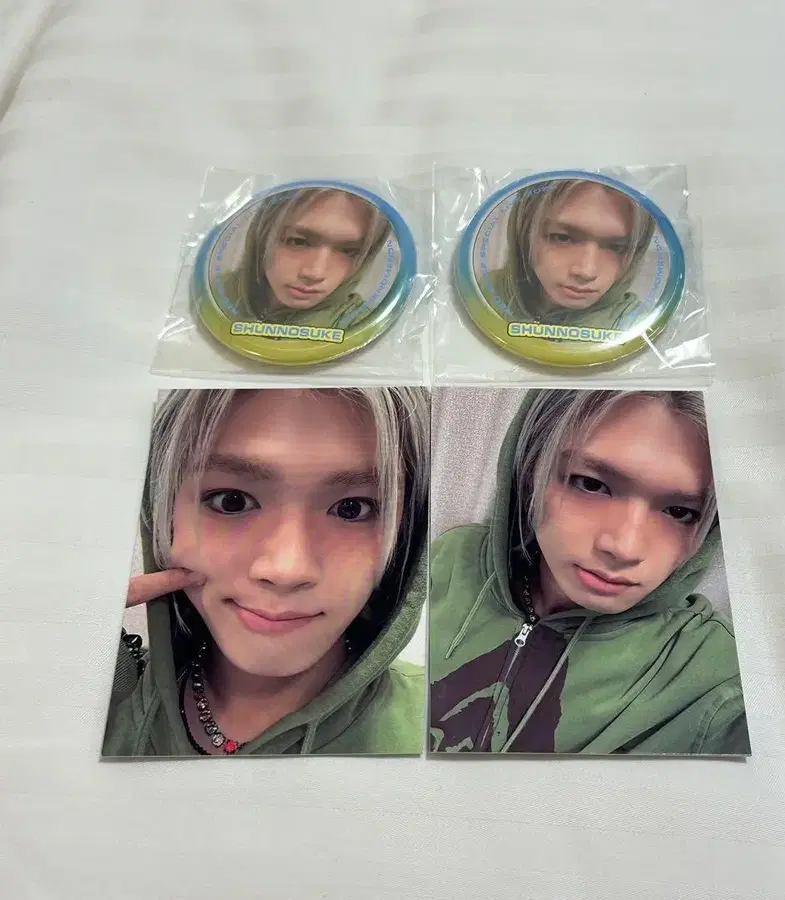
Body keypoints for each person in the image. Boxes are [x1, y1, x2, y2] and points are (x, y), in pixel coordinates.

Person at [103, 386, 429, 756]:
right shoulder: (90, 701)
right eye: (232, 501)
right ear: (163, 513)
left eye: (352, 509)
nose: (287, 570)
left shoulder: (446, 724)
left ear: (405, 535)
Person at [429, 389, 750, 755]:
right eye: (591, 484)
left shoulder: (716, 678)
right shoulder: (452, 557)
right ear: (530, 467)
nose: (625, 547)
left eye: (679, 512)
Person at [481, 180, 655, 330]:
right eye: (562, 238)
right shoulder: (486, 292)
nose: (587, 271)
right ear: (524, 232)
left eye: (617, 247)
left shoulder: (636, 325)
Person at [220, 188, 392, 330]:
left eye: (349, 251)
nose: (315, 273)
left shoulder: (361, 327)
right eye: (298, 241)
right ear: (263, 235)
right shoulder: (215, 295)